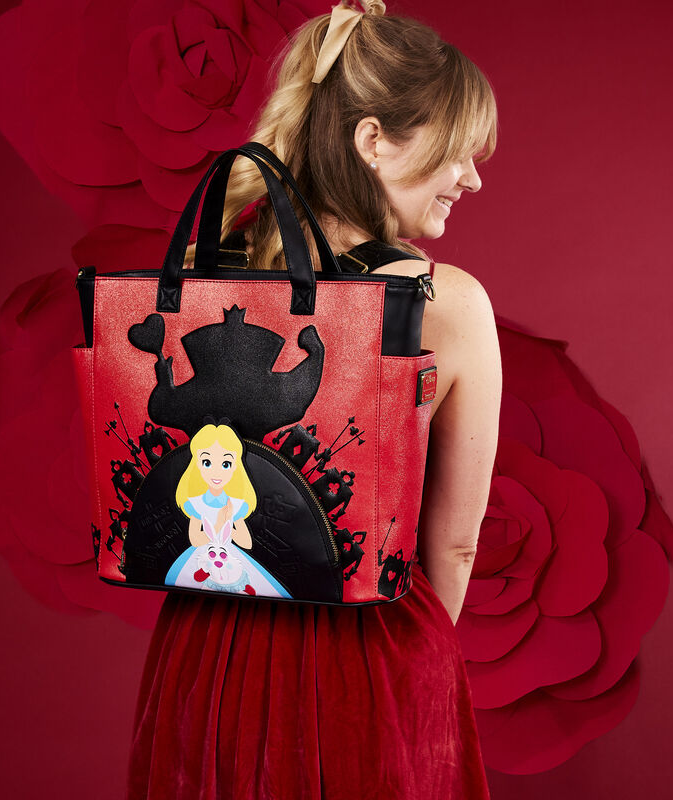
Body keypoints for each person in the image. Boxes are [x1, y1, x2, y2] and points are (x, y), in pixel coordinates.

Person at [126, 2, 501, 798]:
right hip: (367, 655)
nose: (472, 176)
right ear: (374, 141)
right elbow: (456, 547)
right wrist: (412, 675)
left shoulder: (211, 273)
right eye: (457, 150)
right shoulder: (448, 303)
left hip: (206, 650)